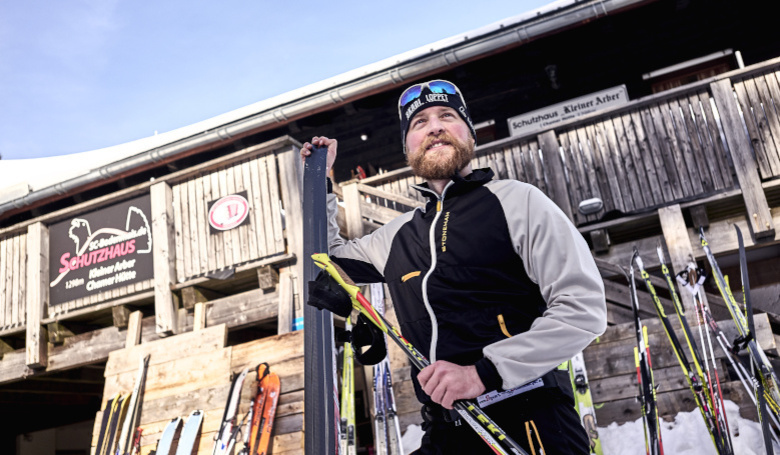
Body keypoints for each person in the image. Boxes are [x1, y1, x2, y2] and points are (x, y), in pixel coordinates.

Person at [301, 79, 607, 454]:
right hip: (445, 432)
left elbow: (582, 309)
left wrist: (483, 373)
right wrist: (322, 183)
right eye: (420, 122)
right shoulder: (398, 235)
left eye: (447, 116)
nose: (434, 127)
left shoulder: (517, 202)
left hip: (529, 421)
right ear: (408, 147)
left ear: (470, 135)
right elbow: (330, 260)